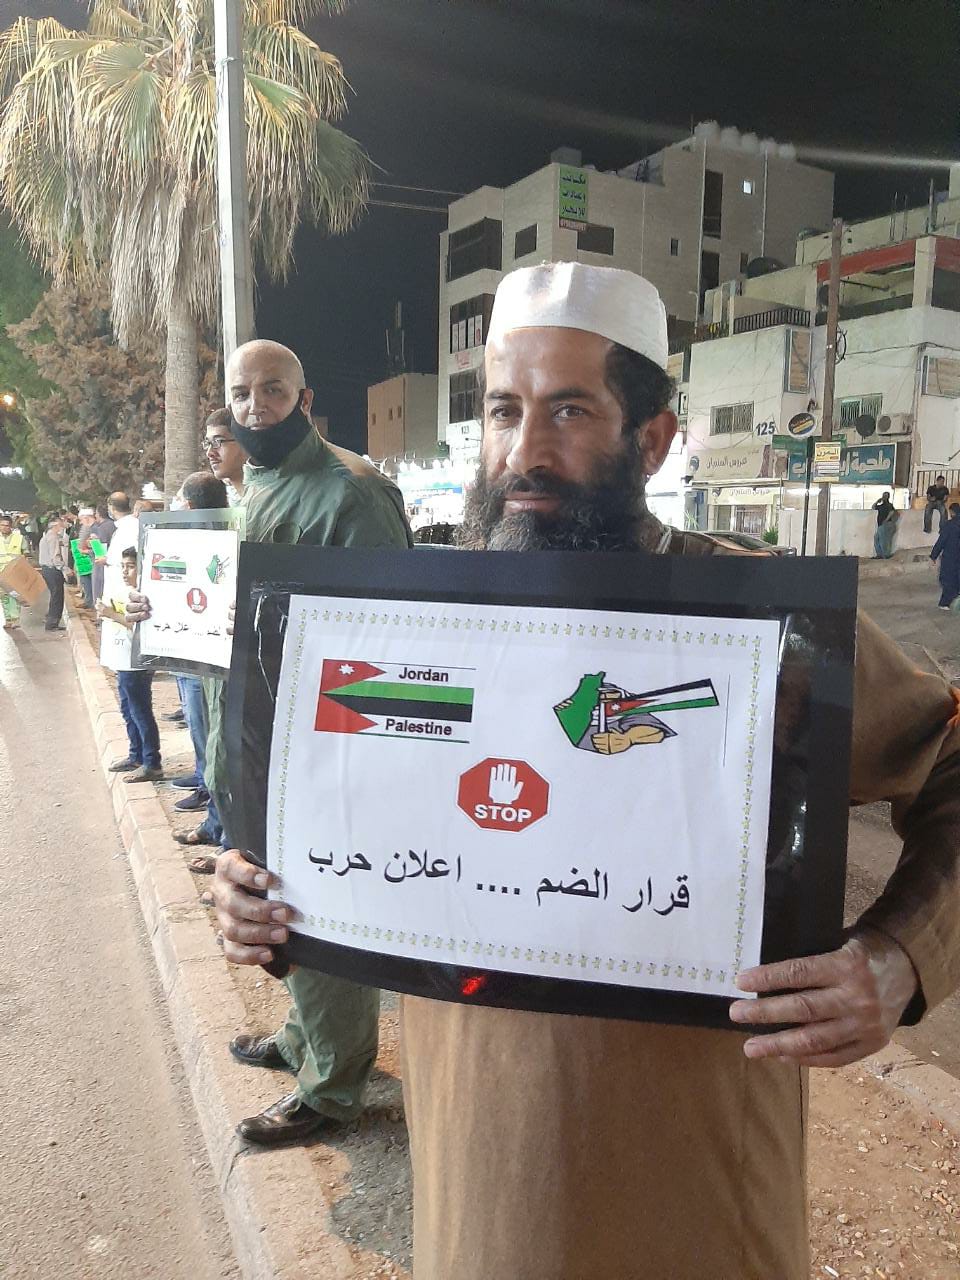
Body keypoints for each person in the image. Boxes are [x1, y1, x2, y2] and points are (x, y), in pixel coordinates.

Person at [215, 264, 960, 1280]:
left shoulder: (758, 625)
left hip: (700, 1200)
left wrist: (901, 956)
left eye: (569, 410)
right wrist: (262, 892)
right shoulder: (415, 623)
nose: (526, 451)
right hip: (476, 1191)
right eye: (504, 411)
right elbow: (341, 830)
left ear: (652, 438)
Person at [130, 339, 413, 1147]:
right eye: (242, 393)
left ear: (305, 398)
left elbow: (390, 639)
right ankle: (301, 1037)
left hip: (314, 747)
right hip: (245, 732)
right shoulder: (252, 484)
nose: (256, 407)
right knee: (271, 896)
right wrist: (167, 615)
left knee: (314, 904)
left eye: (274, 390)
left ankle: (333, 1086)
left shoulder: (354, 493)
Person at [169, 470, 231, 862]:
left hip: (209, 662)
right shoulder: (190, 540)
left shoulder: (216, 540)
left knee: (214, 746)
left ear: (189, 505)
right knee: (208, 743)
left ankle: (226, 837)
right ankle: (214, 823)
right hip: (196, 653)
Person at [98, 547, 163, 783]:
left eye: (131, 566)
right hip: (122, 660)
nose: (125, 572)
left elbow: (140, 628)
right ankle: (136, 755)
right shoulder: (125, 590)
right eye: (123, 566)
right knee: (128, 710)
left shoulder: (145, 595)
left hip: (136, 664)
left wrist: (110, 613)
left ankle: (151, 762)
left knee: (140, 711)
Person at [203, 407, 248, 504]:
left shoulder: (271, 498)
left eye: (218, 441)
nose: (209, 453)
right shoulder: (225, 503)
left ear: (244, 443)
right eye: (208, 443)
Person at [38, 513, 69, 631]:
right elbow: (55, 556)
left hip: (47, 570)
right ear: (56, 526)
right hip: (52, 570)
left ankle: (51, 620)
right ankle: (52, 623)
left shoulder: (47, 535)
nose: (62, 527)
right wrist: (65, 569)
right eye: (61, 525)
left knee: (55, 595)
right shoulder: (53, 537)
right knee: (57, 597)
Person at [930, 502, 960, 609]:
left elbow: (941, 542)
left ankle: (944, 603)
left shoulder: (949, 525)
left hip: (950, 557)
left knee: (948, 580)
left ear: (951, 512)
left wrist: (933, 556)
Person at [0, 513, 26, 630]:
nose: (4, 527)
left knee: (14, 595)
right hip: (1, 573)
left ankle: (15, 619)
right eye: (2, 525)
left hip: (15, 572)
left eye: (7, 525)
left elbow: (26, 553)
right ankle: (8, 619)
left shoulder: (19, 538)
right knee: (4, 597)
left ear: (11, 526)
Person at [89, 502, 116, 611]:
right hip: (113, 563)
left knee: (99, 590)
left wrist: (94, 542)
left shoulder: (102, 527)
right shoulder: (114, 525)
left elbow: (100, 551)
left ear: (99, 514)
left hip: (102, 564)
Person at [872, 490, 895, 557]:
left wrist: (886, 520)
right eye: (883, 496)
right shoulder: (881, 506)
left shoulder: (889, 505)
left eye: (885, 496)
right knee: (877, 539)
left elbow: (892, 512)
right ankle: (880, 554)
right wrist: (877, 501)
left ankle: (885, 555)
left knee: (883, 540)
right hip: (881, 525)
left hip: (885, 524)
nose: (884, 497)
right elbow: (873, 507)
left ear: (888, 497)